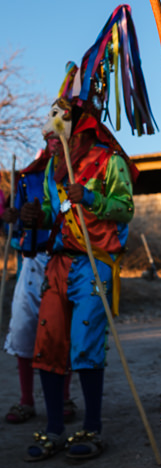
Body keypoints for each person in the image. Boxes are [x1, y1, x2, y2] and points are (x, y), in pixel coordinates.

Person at [18, 4, 156, 462]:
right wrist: (37, 220)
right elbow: (48, 211)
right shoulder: (52, 169)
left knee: (85, 341)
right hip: (55, 262)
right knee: (47, 341)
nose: (50, 132)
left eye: (58, 121)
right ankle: (56, 427)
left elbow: (124, 210)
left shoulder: (105, 161)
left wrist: (90, 198)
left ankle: (91, 428)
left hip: (94, 263)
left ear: (76, 121)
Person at [3, 147, 77, 425]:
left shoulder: (77, 173)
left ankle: (64, 396)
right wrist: (10, 222)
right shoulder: (27, 177)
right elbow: (15, 228)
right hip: (31, 262)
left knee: (60, 330)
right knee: (24, 328)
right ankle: (26, 400)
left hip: (65, 259)